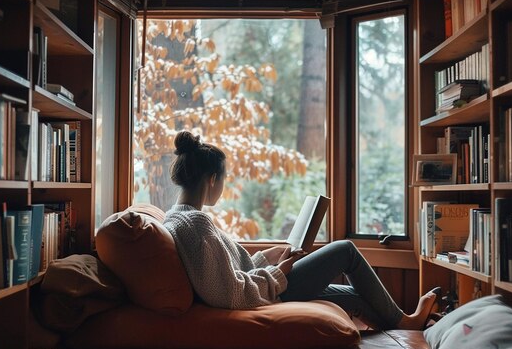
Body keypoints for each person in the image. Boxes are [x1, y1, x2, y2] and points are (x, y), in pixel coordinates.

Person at [163, 131, 440, 330]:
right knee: (345, 250)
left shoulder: (180, 217)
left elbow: (227, 275)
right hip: (267, 292)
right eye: (223, 180)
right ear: (212, 179)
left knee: (354, 296)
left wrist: (266, 257)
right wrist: (278, 272)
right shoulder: (196, 225)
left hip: (264, 285)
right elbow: (230, 293)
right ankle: (406, 321)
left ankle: (403, 325)